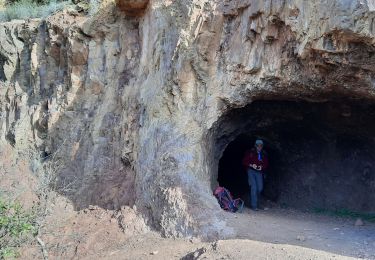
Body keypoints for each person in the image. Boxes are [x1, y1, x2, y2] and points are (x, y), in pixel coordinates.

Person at [242, 139, 269, 211]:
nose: (259, 147)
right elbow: (244, 161)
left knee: (260, 188)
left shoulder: (263, 154)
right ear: (255, 146)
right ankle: (254, 206)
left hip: (259, 172)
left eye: (261, 146)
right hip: (251, 171)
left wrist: (262, 167)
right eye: (258, 146)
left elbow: (266, 164)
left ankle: (257, 203)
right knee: (254, 187)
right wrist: (251, 165)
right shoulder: (250, 152)